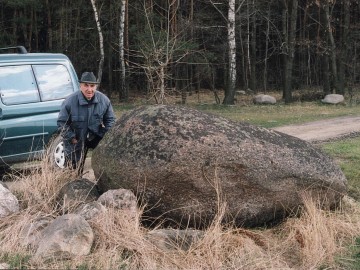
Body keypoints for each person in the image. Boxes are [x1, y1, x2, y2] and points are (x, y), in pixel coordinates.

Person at [57, 71, 116, 173]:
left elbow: (110, 120)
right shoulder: (69, 102)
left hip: (95, 136)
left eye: (92, 86)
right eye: (86, 85)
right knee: (74, 171)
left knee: (108, 158)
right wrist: (71, 137)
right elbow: (62, 123)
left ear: (96, 87)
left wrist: (106, 136)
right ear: (80, 86)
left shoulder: (104, 101)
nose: (89, 89)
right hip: (76, 139)